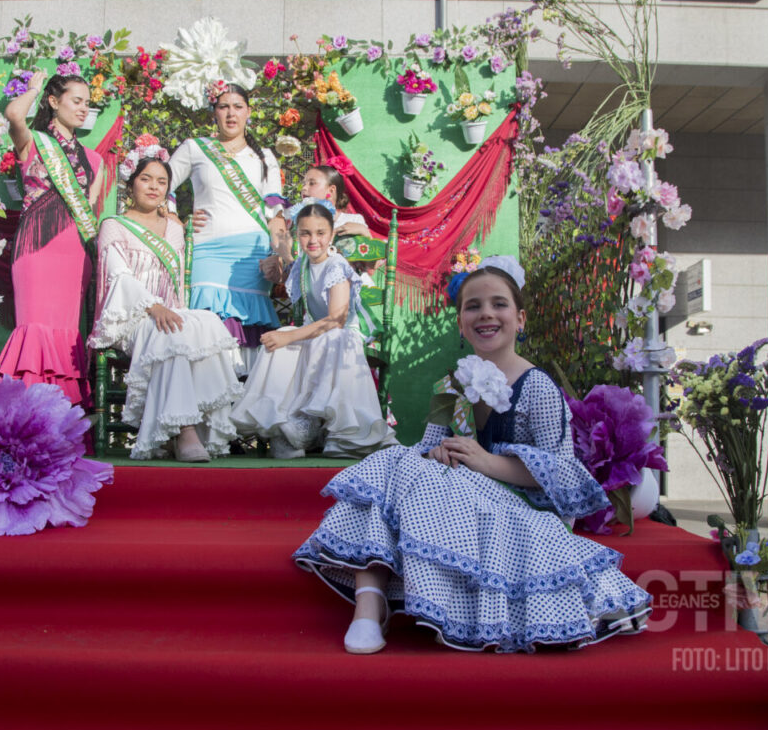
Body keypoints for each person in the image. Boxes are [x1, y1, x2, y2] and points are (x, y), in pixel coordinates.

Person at [293, 256, 653, 654]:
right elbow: (424, 450)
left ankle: (377, 602)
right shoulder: (452, 382)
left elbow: (566, 477)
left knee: (399, 463)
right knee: (394, 459)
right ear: (461, 323)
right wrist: (440, 452)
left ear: (521, 318)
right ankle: (369, 599)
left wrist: (485, 462)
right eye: (473, 306)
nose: (486, 314)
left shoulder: (537, 387)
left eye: (499, 304)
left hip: (521, 512)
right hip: (455, 501)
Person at [87, 146, 243, 462]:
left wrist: (169, 310)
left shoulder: (174, 228)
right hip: (132, 316)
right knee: (170, 331)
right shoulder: (113, 226)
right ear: (130, 184)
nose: (154, 187)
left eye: (161, 181)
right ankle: (184, 431)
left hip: (169, 312)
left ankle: (200, 427)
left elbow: (178, 283)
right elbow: (119, 277)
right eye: (146, 179)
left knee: (205, 323)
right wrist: (152, 306)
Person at [229, 203, 396, 459]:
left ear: (330, 235)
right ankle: (282, 422)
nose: (313, 240)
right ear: (299, 236)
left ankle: (326, 428)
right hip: (318, 331)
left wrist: (289, 336)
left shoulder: (336, 265)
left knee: (316, 337)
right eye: (306, 233)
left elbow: (337, 320)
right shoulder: (302, 266)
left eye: (320, 233)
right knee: (281, 340)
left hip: (344, 333)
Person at [0, 71, 102, 406]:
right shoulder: (32, 142)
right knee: (35, 327)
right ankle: (24, 420)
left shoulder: (95, 161)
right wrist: (36, 88)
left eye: (88, 103)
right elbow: (13, 114)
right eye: (76, 101)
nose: (84, 109)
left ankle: (62, 422)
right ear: (54, 103)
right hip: (37, 250)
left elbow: (92, 215)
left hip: (75, 254)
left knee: (67, 336)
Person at [168, 82, 290, 369]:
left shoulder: (265, 157)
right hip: (206, 250)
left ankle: (241, 402)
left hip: (252, 257)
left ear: (249, 112)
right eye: (224, 107)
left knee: (247, 332)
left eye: (238, 107)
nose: (231, 114)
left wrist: (282, 257)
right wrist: (176, 219)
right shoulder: (195, 148)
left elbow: (275, 217)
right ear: (214, 112)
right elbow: (160, 184)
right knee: (205, 322)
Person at [299, 164, 372, 238]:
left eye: (312, 183)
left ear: (331, 190)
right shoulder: (298, 222)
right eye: (304, 184)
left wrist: (364, 232)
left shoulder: (353, 220)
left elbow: (368, 247)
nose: (304, 188)